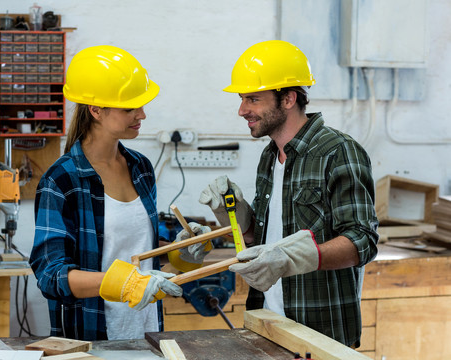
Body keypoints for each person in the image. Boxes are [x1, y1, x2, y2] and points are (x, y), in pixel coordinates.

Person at [199, 40, 379, 348]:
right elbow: (262, 241)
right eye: (243, 99)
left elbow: (363, 241)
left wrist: (300, 256)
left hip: (321, 332)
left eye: (252, 99)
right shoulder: (269, 157)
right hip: (269, 322)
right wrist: (236, 216)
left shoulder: (338, 152)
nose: (242, 110)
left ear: (288, 99)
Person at [30, 45, 208, 341]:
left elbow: (141, 257)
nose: (142, 115)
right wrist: (123, 284)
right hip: (93, 334)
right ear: (96, 110)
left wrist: (181, 253)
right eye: (129, 108)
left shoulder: (141, 168)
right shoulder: (62, 180)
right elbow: (51, 277)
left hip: (146, 329)